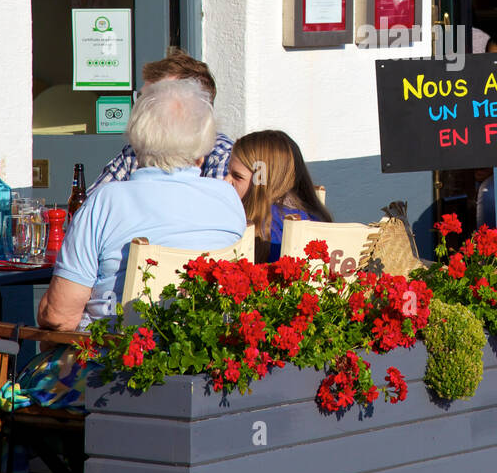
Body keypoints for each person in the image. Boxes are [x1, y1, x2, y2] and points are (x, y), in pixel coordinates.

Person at [40, 79, 246, 331]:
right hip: (208, 359)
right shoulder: (227, 198)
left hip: (113, 360)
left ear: (137, 142)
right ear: (202, 149)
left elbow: (60, 317)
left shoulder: (107, 201)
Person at [88, 48, 234, 194]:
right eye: (142, 98)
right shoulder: (137, 150)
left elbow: (211, 211)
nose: (143, 108)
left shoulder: (222, 156)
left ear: (196, 105)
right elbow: (93, 206)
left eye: (157, 100)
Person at [227, 130, 332, 263]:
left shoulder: (269, 226)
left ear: (261, 181)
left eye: (237, 176)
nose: (226, 181)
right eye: (228, 172)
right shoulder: (314, 215)